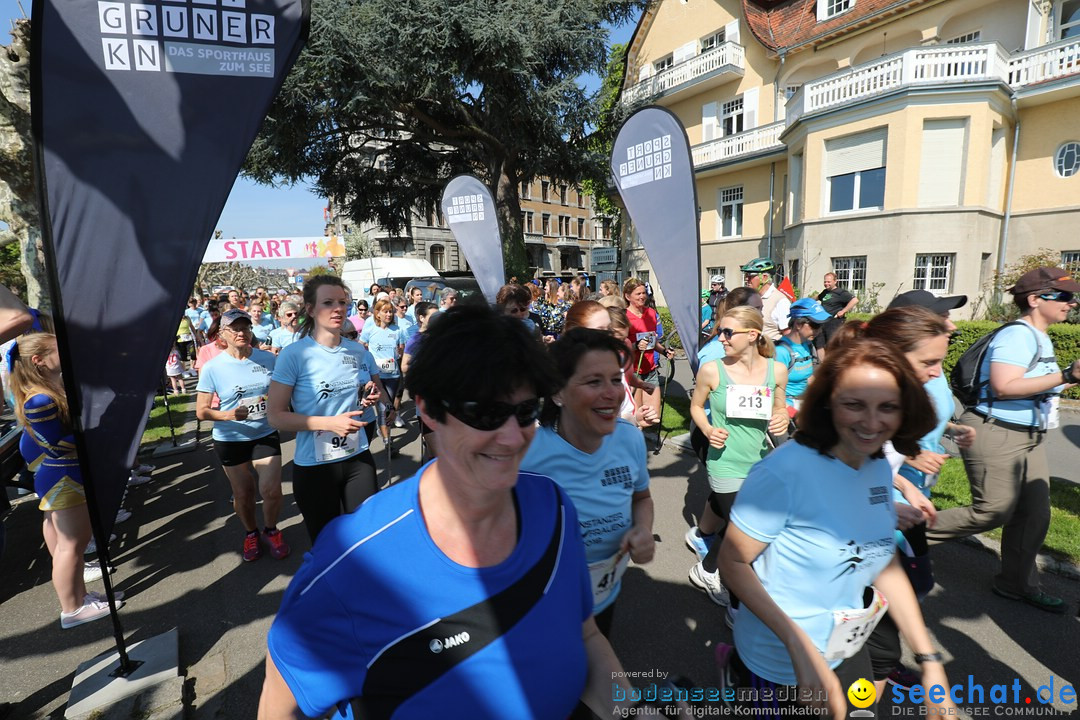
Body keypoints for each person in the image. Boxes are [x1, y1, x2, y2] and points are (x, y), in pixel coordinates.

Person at [258, 306, 637, 719]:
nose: (511, 437)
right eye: (485, 413)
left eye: (526, 411)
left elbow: (585, 635)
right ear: (428, 409)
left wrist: (633, 711)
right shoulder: (353, 563)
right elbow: (280, 707)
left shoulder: (553, 505)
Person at [716, 336, 951, 719]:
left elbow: (881, 560)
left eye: (887, 407)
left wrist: (930, 660)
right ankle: (736, 672)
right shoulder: (783, 472)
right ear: (827, 402)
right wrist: (798, 647)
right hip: (779, 660)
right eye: (854, 404)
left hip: (844, 649)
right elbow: (733, 563)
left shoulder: (876, 466)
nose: (872, 423)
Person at [926, 267, 1080, 614]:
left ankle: (1016, 584)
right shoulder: (1018, 336)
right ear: (1035, 299)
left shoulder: (1040, 336)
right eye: (1065, 296)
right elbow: (1004, 386)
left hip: (1028, 436)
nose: (1072, 303)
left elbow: (1037, 384)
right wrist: (1068, 373)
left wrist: (1067, 380)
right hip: (995, 430)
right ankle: (899, 538)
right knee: (991, 511)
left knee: (1034, 515)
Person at [853, 306, 975, 692]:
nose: (938, 371)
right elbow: (825, 493)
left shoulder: (894, 409)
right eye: (930, 361)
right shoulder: (850, 413)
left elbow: (880, 468)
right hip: (825, 563)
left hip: (872, 537)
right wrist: (886, 510)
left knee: (906, 597)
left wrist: (905, 489)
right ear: (889, 354)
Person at [521, 327, 654, 638]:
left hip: (604, 593)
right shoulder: (527, 453)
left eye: (615, 379)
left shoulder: (630, 438)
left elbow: (642, 497)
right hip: (542, 600)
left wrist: (643, 530)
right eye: (594, 382)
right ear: (558, 392)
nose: (612, 393)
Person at [11, 332, 126, 628]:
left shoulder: (47, 391)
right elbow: (56, 444)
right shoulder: (40, 399)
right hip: (64, 476)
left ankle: (80, 597)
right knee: (71, 547)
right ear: (38, 360)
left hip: (63, 475)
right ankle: (72, 609)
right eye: (59, 349)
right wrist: (99, 431)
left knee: (68, 545)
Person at [685, 307, 788, 617]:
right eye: (721, 331)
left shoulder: (777, 370)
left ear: (753, 335)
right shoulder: (712, 370)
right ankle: (738, 607)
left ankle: (707, 567)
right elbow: (696, 407)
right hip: (724, 462)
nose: (722, 337)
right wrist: (707, 428)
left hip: (758, 462)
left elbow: (780, 410)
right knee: (746, 535)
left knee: (736, 529)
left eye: (728, 332)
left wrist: (781, 417)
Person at [267, 276, 385, 543]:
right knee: (327, 545)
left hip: (357, 457)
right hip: (315, 467)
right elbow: (275, 416)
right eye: (328, 302)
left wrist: (365, 398)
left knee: (365, 538)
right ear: (310, 309)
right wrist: (329, 423)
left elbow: (348, 398)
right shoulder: (294, 354)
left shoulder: (356, 351)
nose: (338, 309)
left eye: (343, 302)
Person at [196, 310, 290, 562]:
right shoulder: (212, 367)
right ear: (222, 334)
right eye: (235, 329)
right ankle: (251, 533)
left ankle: (271, 529)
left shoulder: (267, 359)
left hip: (264, 433)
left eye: (245, 328)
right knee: (244, 494)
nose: (241, 332)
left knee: (271, 490)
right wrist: (229, 415)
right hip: (230, 438)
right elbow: (201, 411)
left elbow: (284, 390)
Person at [623, 277, 674, 419]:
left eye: (644, 293)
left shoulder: (651, 313)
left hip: (650, 369)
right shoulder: (624, 316)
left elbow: (653, 341)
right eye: (638, 294)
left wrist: (664, 351)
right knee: (636, 416)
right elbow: (619, 347)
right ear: (628, 296)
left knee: (653, 416)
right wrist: (636, 346)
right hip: (633, 371)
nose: (642, 296)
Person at [359, 299, 406, 445]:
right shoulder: (370, 330)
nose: (389, 314)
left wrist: (397, 354)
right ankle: (387, 440)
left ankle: (384, 429)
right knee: (382, 408)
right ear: (377, 314)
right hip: (376, 375)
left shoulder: (398, 330)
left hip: (393, 376)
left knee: (388, 407)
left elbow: (402, 349)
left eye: (391, 311)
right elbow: (361, 348)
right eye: (385, 311)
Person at [773, 298, 831, 415]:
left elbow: (809, 378)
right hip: (785, 410)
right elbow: (771, 391)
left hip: (804, 405)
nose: (819, 330)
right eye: (815, 325)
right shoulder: (781, 351)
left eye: (821, 326)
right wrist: (792, 413)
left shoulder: (808, 345)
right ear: (798, 324)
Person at [740, 257, 790, 342]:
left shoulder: (780, 301)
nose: (746, 279)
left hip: (771, 351)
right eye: (746, 275)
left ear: (764, 277)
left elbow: (787, 333)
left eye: (750, 276)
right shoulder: (749, 298)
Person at [814, 272, 858, 357]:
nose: (826, 284)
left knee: (832, 345)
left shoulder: (841, 292)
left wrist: (843, 311)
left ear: (835, 281)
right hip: (822, 322)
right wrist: (807, 301)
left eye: (828, 282)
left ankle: (832, 365)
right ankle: (823, 365)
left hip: (834, 322)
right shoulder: (825, 292)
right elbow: (817, 297)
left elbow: (855, 300)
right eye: (825, 282)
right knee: (819, 344)